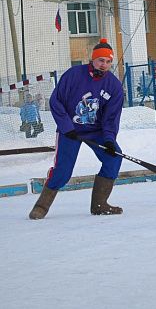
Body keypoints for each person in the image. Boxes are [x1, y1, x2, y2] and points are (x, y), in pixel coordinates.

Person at [29, 38, 125, 219]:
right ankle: (41, 206)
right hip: (70, 131)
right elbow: (56, 101)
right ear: (93, 59)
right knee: (63, 172)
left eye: (108, 61)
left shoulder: (114, 86)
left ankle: (99, 204)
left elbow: (111, 118)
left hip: (96, 132)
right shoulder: (73, 75)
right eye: (101, 60)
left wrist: (109, 140)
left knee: (113, 159)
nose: (104, 65)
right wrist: (66, 127)